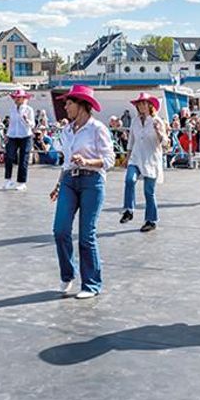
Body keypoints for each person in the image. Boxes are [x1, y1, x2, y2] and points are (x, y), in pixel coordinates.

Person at [50, 85, 115, 299]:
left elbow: (109, 160)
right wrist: (59, 184)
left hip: (92, 181)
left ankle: (91, 284)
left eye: (69, 103)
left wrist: (87, 161)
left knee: (86, 235)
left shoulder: (98, 128)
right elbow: (66, 161)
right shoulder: (67, 130)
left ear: (82, 105)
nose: (65, 106)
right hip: (70, 179)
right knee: (60, 230)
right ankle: (68, 274)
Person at [120, 92, 166, 232]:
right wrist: (127, 158)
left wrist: (159, 132)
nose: (141, 106)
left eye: (144, 103)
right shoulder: (134, 121)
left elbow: (165, 143)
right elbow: (131, 141)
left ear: (150, 105)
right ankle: (129, 209)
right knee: (129, 180)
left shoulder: (157, 121)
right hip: (136, 157)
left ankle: (151, 220)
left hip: (151, 160)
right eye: (139, 104)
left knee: (148, 192)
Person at [3, 89, 35, 191]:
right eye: (15, 97)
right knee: (9, 156)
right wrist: (7, 135)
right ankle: (8, 180)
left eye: (18, 97)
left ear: (23, 98)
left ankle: (22, 182)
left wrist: (26, 120)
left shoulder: (29, 109)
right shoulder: (12, 109)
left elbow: (32, 125)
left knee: (23, 159)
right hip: (13, 135)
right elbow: (11, 124)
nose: (15, 99)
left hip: (25, 136)